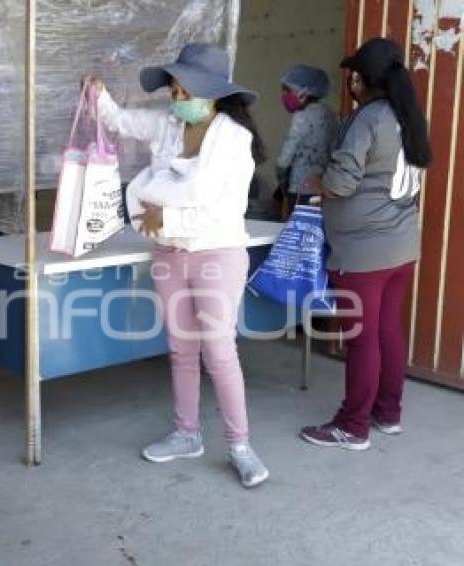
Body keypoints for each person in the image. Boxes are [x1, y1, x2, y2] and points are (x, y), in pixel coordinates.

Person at [87, 43, 269, 488]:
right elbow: (118, 121)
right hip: (170, 254)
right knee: (181, 349)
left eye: (185, 89)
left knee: (220, 351)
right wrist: (98, 95)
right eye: (174, 88)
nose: (177, 97)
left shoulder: (234, 139)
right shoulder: (168, 125)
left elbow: (222, 208)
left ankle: (241, 445)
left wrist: (166, 215)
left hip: (217, 252)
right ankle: (187, 433)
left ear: (212, 93)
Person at [301, 38, 431, 450]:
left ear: (362, 78)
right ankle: (387, 413)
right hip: (401, 246)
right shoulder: (408, 116)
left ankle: (352, 426)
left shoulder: (367, 119)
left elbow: (341, 182)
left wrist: (317, 181)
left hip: (363, 253)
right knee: (388, 331)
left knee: (361, 339)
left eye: (353, 74)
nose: (350, 81)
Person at [274, 64, 337, 218]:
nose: (284, 96)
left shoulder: (301, 117)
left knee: (297, 230)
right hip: (323, 186)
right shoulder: (330, 114)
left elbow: (285, 158)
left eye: (288, 91)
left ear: (303, 92)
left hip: (299, 189)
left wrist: (281, 176)